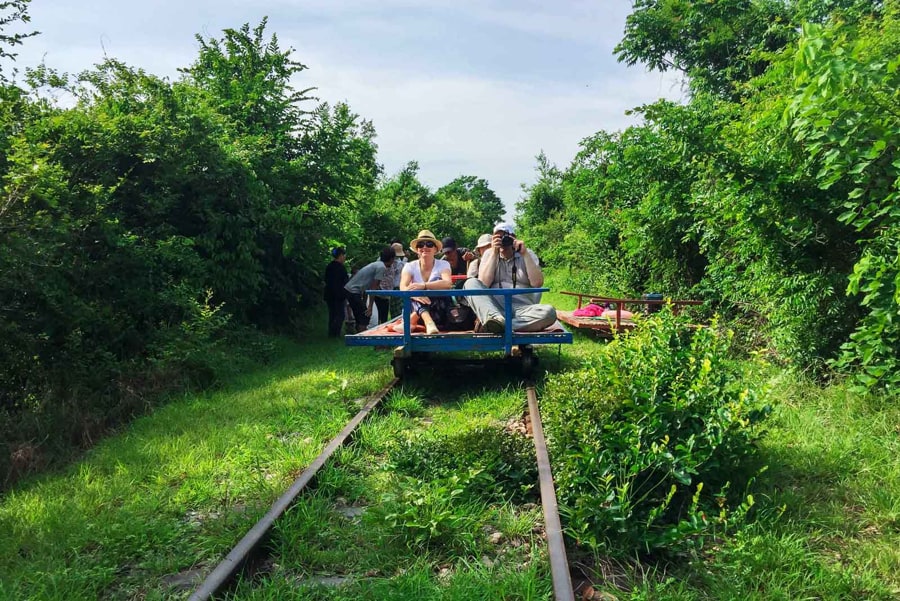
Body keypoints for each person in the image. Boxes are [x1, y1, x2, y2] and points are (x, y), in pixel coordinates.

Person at [462, 222, 557, 332]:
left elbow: (537, 283)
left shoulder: (527, 254)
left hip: (523, 309)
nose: (503, 241)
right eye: (499, 237)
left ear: (514, 238)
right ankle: (495, 320)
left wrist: (524, 254)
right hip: (495, 309)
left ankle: (498, 326)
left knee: (549, 313)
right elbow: (484, 283)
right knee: (470, 283)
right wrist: (494, 253)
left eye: (505, 237)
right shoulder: (489, 254)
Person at [400, 230, 453, 335]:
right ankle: (429, 322)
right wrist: (415, 296)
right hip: (416, 306)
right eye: (420, 244)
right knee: (415, 293)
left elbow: (447, 283)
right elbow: (403, 286)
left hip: (439, 310)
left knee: (430, 289)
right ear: (417, 250)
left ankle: (411, 321)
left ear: (435, 249)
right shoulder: (409, 266)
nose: (424, 247)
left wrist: (424, 286)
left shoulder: (443, 264)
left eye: (429, 244)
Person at [345, 247, 394, 333]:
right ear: (391, 259)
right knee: (365, 316)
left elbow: (368, 285)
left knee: (361, 314)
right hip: (353, 291)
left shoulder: (376, 264)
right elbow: (373, 288)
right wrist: (370, 307)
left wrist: (364, 302)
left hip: (351, 290)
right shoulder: (381, 267)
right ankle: (362, 337)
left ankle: (359, 334)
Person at [323, 247, 349, 337]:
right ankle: (335, 333)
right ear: (341, 256)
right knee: (340, 315)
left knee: (332, 314)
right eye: (344, 255)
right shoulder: (341, 268)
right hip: (338, 295)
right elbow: (345, 282)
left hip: (329, 294)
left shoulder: (329, 266)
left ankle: (331, 333)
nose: (345, 258)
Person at [387, 242, 407, 319]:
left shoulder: (399, 263)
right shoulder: (392, 263)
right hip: (393, 287)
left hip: (398, 287)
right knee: (394, 309)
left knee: (399, 310)